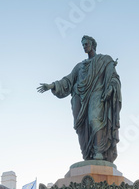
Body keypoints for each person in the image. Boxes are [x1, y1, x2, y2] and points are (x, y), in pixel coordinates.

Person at [38, 35, 122, 163]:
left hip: (97, 95)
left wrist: (110, 88)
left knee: (95, 120)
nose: (84, 46)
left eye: (86, 44)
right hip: (80, 98)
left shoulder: (105, 60)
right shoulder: (79, 66)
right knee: (81, 127)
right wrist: (52, 85)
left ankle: (98, 151)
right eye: (82, 45)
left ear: (92, 45)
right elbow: (68, 80)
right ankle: (88, 154)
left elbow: (114, 77)